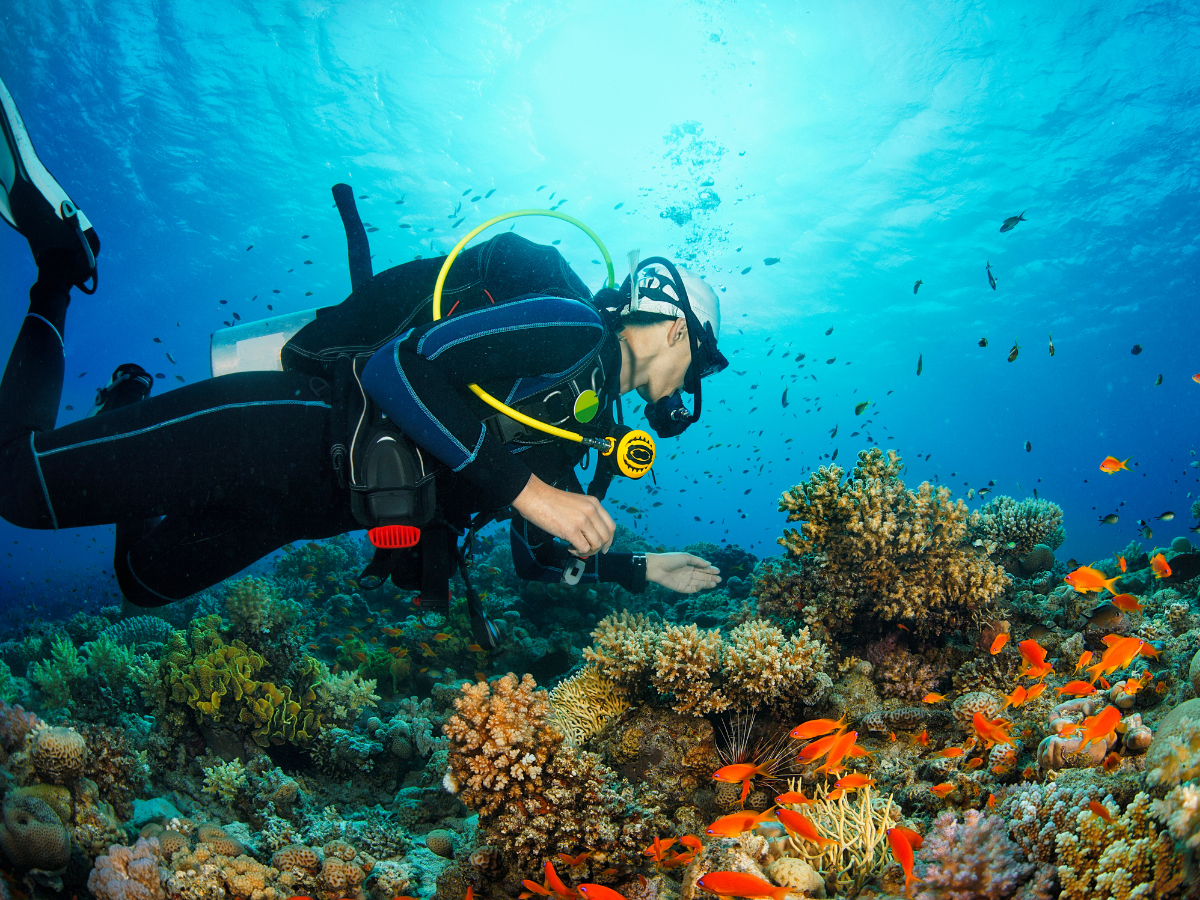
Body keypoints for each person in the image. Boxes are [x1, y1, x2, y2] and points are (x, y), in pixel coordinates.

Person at [0, 74, 725, 627]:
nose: (693, 383)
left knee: (142, 582)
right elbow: (398, 367)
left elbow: (537, 558)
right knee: (16, 489)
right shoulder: (571, 328)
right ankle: (61, 270)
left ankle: (126, 398)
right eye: (701, 360)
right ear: (673, 328)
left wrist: (638, 568)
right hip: (289, 429)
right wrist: (537, 496)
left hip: (302, 511)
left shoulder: (584, 427)